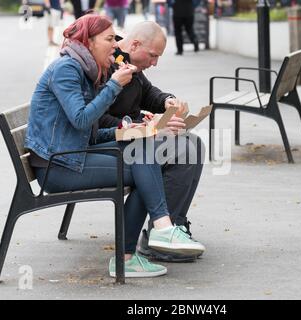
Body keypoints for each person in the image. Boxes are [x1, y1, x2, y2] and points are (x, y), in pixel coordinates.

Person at [25, 14, 205, 278]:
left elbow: (93, 131)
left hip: (75, 153)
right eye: (110, 39)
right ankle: (146, 241)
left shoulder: (87, 69)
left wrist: (137, 129)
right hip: (58, 164)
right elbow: (82, 119)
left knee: (143, 149)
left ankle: (153, 236)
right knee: (144, 167)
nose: (115, 45)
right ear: (89, 41)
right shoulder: (67, 69)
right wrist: (112, 87)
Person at [98, 21, 205, 262]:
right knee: (182, 150)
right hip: (116, 142)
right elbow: (97, 118)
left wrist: (168, 101)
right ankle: (159, 236)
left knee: (193, 144)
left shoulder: (130, 63)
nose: (155, 63)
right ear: (135, 44)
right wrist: (151, 127)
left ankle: (174, 225)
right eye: (153, 55)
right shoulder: (108, 63)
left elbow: (147, 93)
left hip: (132, 138)